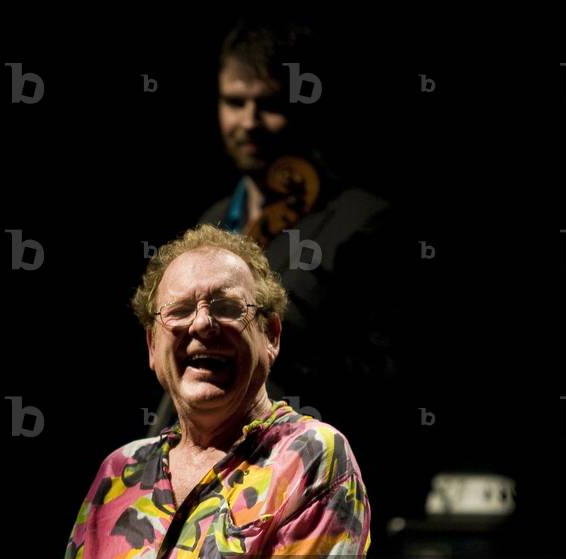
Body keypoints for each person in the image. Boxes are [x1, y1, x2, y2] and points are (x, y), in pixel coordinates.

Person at [7, 225, 371, 559]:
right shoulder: (120, 471)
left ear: (271, 335)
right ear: (152, 345)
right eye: (179, 311)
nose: (202, 324)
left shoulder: (310, 456)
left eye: (226, 308)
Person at [147, 18, 396, 442]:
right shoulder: (213, 221)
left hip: (303, 468)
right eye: (234, 102)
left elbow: (385, 376)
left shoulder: (359, 221)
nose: (249, 122)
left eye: (269, 105)